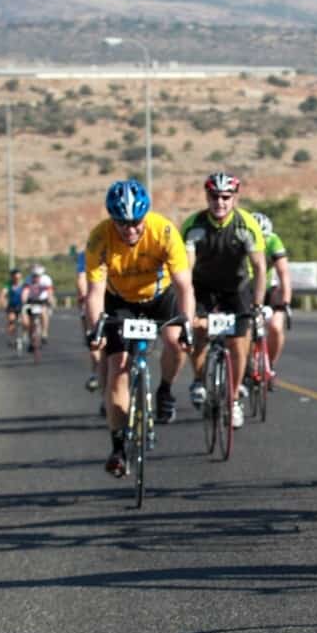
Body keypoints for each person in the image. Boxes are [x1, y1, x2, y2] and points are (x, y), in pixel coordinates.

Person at [85, 179, 194, 477]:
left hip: (161, 296)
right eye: (122, 223)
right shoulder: (99, 238)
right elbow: (95, 293)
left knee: (175, 342)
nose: (130, 229)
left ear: (146, 216)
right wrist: (96, 329)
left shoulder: (164, 232)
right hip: (120, 301)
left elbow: (184, 286)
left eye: (136, 222)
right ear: (112, 219)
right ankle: (118, 447)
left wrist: (187, 324)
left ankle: (165, 390)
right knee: (117, 367)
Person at [182, 172, 267, 430]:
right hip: (202, 288)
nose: (219, 202)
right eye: (214, 196)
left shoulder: (246, 225)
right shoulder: (193, 225)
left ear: (234, 198)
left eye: (225, 197)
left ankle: (234, 399)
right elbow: (186, 269)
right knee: (198, 331)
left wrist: (257, 306)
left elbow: (259, 268)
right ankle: (199, 379)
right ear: (207, 197)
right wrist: (188, 309)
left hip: (236, 288)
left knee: (239, 342)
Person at [251, 211, 292, 382]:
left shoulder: (273, 241)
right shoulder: (240, 240)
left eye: (264, 238)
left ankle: (270, 365)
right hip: (245, 289)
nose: (260, 242)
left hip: (267, 289)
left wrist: (286, 301)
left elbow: (283, 272)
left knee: (275, 327)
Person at [76, 246, 106, 397]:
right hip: (94, 300)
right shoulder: (89, 252)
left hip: (118, 300)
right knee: (95, 340)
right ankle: (96, 372)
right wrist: (84, 295)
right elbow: (81, 278)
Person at [25, 263, 55, 346]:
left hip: (42, 300)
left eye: (38, 276)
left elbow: (50, 292)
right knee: (30, 321)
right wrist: (24, 301)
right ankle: (31, 340)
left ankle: (44, 333)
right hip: (31, 300)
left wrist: (50, 301)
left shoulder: (46, 279)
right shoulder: (28, 279)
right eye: (34, 276)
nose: (36, 278)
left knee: (44, 313)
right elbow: (25, 292)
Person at [0, 267, 27, 344]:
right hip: (12, 305)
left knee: (26, 322)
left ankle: (25, 334)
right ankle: (11, 337)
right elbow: (3, 293)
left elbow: (28, 293)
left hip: (22, 305)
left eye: (18, 276)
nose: (16, 279)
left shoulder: (24, 284)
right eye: (14, 276)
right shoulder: (9, 284)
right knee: (11, 320)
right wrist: (2, 302)